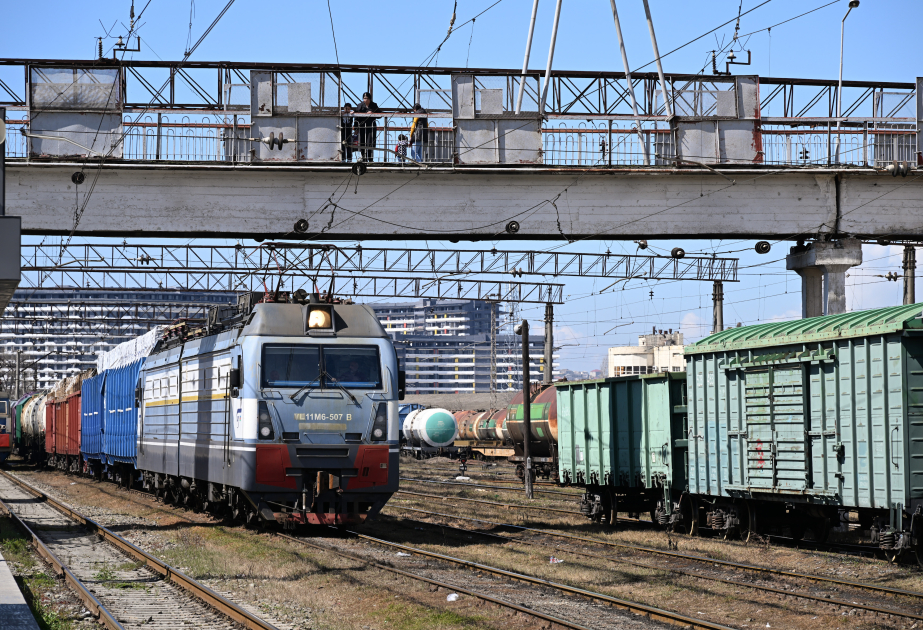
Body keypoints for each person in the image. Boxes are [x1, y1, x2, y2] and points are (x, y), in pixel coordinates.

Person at [355, 92, 381, 162]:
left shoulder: (374, 105)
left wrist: (373, 113)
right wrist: (356, 128)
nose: (365, 100)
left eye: (367, 98)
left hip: (371, 127)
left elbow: (380, 115)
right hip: (362, 126)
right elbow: (356, 117)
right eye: (364, 98)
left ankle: (370, 158)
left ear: (370, 99)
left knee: (370, 142)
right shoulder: (360, 106)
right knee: (362, 142)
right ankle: (363, 158)